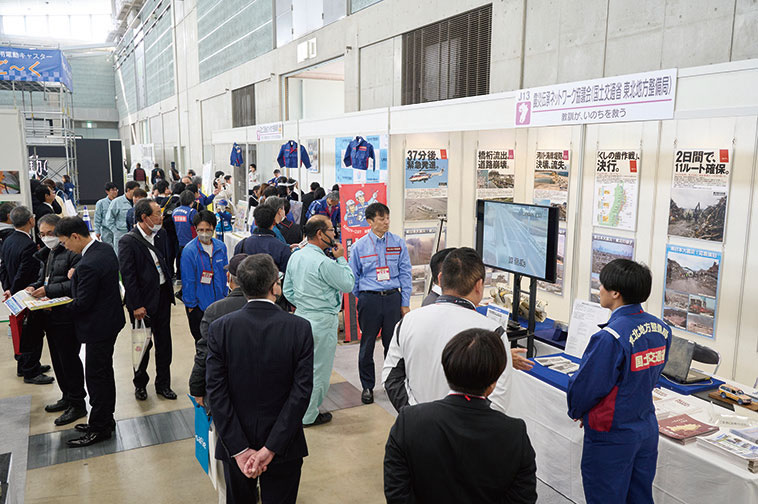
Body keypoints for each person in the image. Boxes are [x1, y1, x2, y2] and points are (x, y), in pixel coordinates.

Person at [384, 328, 537, 504]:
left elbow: (396, 493)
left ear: (447, 369)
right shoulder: (514, 433)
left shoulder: (409, 421)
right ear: (494, 383)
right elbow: (523, 498)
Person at [206, 254, 313, 504]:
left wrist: (240, 450)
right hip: (285, 445)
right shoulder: (299, 328)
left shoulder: (220, 328)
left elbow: (216, 393)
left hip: (235, 443)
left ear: (238, 284)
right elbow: (301, 392)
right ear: (275, 286)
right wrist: (271, 447)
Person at [567, 259, 671, 504]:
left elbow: (586, 387)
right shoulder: (661, 329)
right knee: (640, 496)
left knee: (605, 497)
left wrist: (579, 411)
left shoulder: (610, 337)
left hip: (612, 432)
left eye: (602, 285)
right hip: (645, 427)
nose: (599, 289)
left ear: (615, 293)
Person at [382, 247, 533, 414]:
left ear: (440, 279)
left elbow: (391, 377)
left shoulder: (407, 321)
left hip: (417, 425)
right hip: (470, 429)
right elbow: (498, 399)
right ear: (479, 285)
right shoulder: (493, 332)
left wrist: (416, 416)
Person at [55, 216, 126, 447]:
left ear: (75, 236)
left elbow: (83, 303)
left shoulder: (87, 264)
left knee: (96, 378)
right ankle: (105, 419)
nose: (65, 247)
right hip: (110, 322)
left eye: (65, 242)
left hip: (98, 328)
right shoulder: (104, 249)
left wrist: (56, 307)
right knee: (104, 374)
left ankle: (99, 428)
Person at [283, 216, 355, 426]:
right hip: (322, 322)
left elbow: (287, 290)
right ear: (320, 234)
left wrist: (305, 304)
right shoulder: (324, 262)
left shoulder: (296, 256)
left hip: (301, 317)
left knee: (301, 368)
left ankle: (299, 410)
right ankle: (309, 415)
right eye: (331, 230)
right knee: (319, 370)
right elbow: (348, 284)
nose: (334, 234)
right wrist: (341, 259)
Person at [348, 202, 412, 404]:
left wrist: (404, 302)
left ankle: (392, 383)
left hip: (393, 298)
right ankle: (367, 386)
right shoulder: (359, 247)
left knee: (393, 344)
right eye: (381, 218)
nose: (386, 222)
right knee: (367, 344)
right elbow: (352, 277)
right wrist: (365, 296)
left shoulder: (398, 243)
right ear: (370, 221)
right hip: (370, 300)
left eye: (387, 218)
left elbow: (405, 273)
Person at [27, 214, 87, 425]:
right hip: (49, 315)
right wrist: (33, 287)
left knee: (69, 360)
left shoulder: (72, 252)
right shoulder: (48, 253)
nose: (46, 238)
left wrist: (48, 290)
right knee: (58, 361)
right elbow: (45, 278)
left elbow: (75, 284)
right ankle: (67, 396)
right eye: (42, 234)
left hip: (66, 316)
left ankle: (78, 403)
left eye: (50, 233)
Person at [118, 199, 177, 402]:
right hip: (142, 302)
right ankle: (140, 384)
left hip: (162, 296)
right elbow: (128, 276)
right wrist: (136, 305)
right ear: (144, 217)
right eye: (157, 214)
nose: (161, 217)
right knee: (142, 345)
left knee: (164, 343)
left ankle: (163, 384)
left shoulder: (161, 235)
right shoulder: (128, 241)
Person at [0, 206, 53, 384]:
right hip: (27, 296)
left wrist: (8, 288)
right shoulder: (28, 244)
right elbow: (24, 272)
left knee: (22, 333)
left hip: (15, 294)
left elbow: (3, 268)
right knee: (32, 334)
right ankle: (31, 371)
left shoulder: (8, 240)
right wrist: (16, 291)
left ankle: (24, 366)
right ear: (31, 220)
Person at [189, 253, 248, 409]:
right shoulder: (271, 308)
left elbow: (205, 352)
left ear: (229, 277)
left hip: (225, 390)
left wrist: (196, 387)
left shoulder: (215, 311)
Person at [181, 211, 228, 342]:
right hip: (199, 307)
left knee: (220, 341)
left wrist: (225, 295)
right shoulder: (189, 251)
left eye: (208, 229)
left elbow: (224, 273)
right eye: (200, 230)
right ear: (195, 229)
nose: (204, 233)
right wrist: (192, 306)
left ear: (213, 228)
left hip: (219, 304)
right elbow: (188, 280)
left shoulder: (221, 247)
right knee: (202, 343)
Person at [235, 205, 291, 273]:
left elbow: (235, 270)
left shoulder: (242, 245)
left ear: (255, 222)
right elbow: (285, 274)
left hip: (246, 279)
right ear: (274, 222)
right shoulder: (282, 248)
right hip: (271, 279)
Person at [105, 180, 140, 256]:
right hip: (121, 234)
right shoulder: (117, 202)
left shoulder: (138, 202)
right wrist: (116, 232)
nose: (137, 192)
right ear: (128, 190)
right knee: (121, 256)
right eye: (135, 190)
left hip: (135, 234)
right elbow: (108, 219)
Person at [172, 190, 198, 282]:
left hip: (179, 241)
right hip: (191, 242)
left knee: (180, 261)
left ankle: (179, 278)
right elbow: (197, 225)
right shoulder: (192, 212)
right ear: (192, 201)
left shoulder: (175, 211)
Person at [94, 182, 118, 248]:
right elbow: (97, 218)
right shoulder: (101, 203)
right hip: (106, 231)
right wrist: (97, 231)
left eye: (116, 190)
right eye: (113, 190)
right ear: (107, 191)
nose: (115, 192)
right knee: (108, 248)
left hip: (117, 230)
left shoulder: (119, 202)